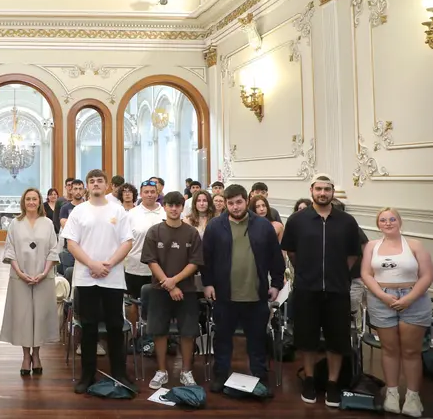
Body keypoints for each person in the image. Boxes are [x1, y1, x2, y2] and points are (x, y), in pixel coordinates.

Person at [280, 174, 361, 407]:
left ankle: (334, 383)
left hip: (337, 290)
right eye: (319, 189)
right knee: (308, 338)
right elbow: (291, 252)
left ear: (333, 191)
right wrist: (307, 272)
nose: (323, 193)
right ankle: (309, 378)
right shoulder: (297, 220)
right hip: (307, 288)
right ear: (311, 190)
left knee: (337, 339)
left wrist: (335, 273)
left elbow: (352, 254)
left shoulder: (347, 221)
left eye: (327, 189)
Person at [202, 183, 285, 392]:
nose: (235, 207)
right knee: (222, 340)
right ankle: (221, 375)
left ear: (246, 201)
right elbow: (206, 259)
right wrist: (208, 283)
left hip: (255, 294)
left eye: (239, 202)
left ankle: (259, 375)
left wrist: (276, 284)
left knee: (257, 340)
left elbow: (276, 257)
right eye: (230, 203)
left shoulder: (263, 226)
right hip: (224, 295)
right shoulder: (214, 226)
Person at [62, 169, 134, 394]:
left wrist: (109, 264)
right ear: (86, 186)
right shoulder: (79, 211)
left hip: (112, 278)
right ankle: (87, 375)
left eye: (99, 181)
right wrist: (92, 264)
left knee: (114, 327)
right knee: (89, 327)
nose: (95, 184)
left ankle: (120, 374)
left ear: (107, 186)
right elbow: (71, 243)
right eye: (91, 181)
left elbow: (127, 242)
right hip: (86, 277)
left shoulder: (118, 210)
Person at [360, 208, 433, 417]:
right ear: (378, 224)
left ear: (400, 222)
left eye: (392, 219)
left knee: (411, 351)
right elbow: (366, 273)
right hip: (381, 300)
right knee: (389, 349)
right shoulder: (372, 247)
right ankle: (392, 393)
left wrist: (409, 298)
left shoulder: (415, 245)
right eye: (383, 220)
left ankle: (412, 396)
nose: (388, 223)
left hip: (414, 299)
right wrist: (382, 296)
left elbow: (427, 275)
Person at [141, 191, 203, 389]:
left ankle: (186, 371)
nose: (174, 208)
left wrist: (174, 282)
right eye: (170, 205)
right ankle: (161, 371)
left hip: (187, 290)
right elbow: (151, 261)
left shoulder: (191, 233)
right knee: (159, 331)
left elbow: (195, 262)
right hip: (159, 290)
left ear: (182, 207)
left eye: (178, 205)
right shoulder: (154, 231)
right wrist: (168, 284)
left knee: (188, 332)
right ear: (165, 206)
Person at [0, 188, 60, 375]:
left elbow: (53, 250)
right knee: (23, 317)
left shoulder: (48, 223)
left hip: (43, 277)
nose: (31, 202)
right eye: (28, 199)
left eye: (34, 199)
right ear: (23, 202)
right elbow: (10, 251)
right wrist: (21, 273)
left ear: (39, 201)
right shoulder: (15, 224)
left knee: (40, 316)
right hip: (20, 277)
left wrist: (43, 272)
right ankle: (26, 356)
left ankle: (37, 355)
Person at [125, 180, 166, 330]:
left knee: (158, 303)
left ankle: (157, 335)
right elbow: (124, 239)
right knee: (134, 303)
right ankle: (135, 336)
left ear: (158, 193)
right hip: (136, 266)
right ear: (141, 194)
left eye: (152, 192)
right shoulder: (131, 214)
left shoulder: (165, 212)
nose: (149, 195)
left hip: (162, 268)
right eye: (146, 192)